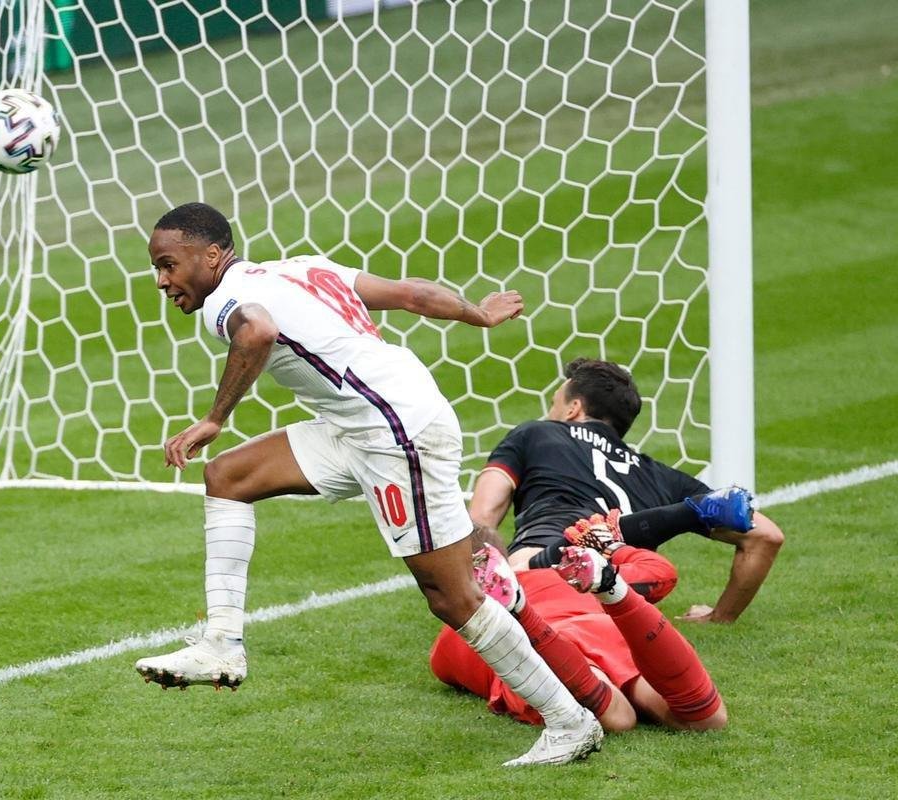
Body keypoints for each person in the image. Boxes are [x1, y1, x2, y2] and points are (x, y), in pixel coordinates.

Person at [133, 202, 603, 766]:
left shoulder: (228, 302)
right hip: (363, 423)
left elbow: (256, 332)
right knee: (228, 476)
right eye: (156, 269)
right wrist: (475, 313)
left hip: (394, 432)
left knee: (452, 597)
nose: (162, 281)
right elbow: (409, 293)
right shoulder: (301, 268)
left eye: (169, 264)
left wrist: (214, 419)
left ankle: (569, 720)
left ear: (212, 255)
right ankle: (222, 645)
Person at [470, 358, 785, 623]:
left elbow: (481, 519)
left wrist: (475, 589)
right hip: (622, 587)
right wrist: (719, 618)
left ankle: (563, 556)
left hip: (546, 568)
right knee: (638, 570)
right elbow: (766, 536)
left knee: (520, 570)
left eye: (554, 404)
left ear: (572, 409)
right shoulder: (660, 475)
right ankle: (660, 523)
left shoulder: (535, 433)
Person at [429, 539, 727, 733]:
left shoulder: (450, 637)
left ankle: (520, 611)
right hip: (601, 630)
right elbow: (661, 573)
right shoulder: (560, 573)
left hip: (536, 656)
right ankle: (614, 589)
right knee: (707, 721)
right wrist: (613, 543)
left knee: (618, 719)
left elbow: (450, 669)